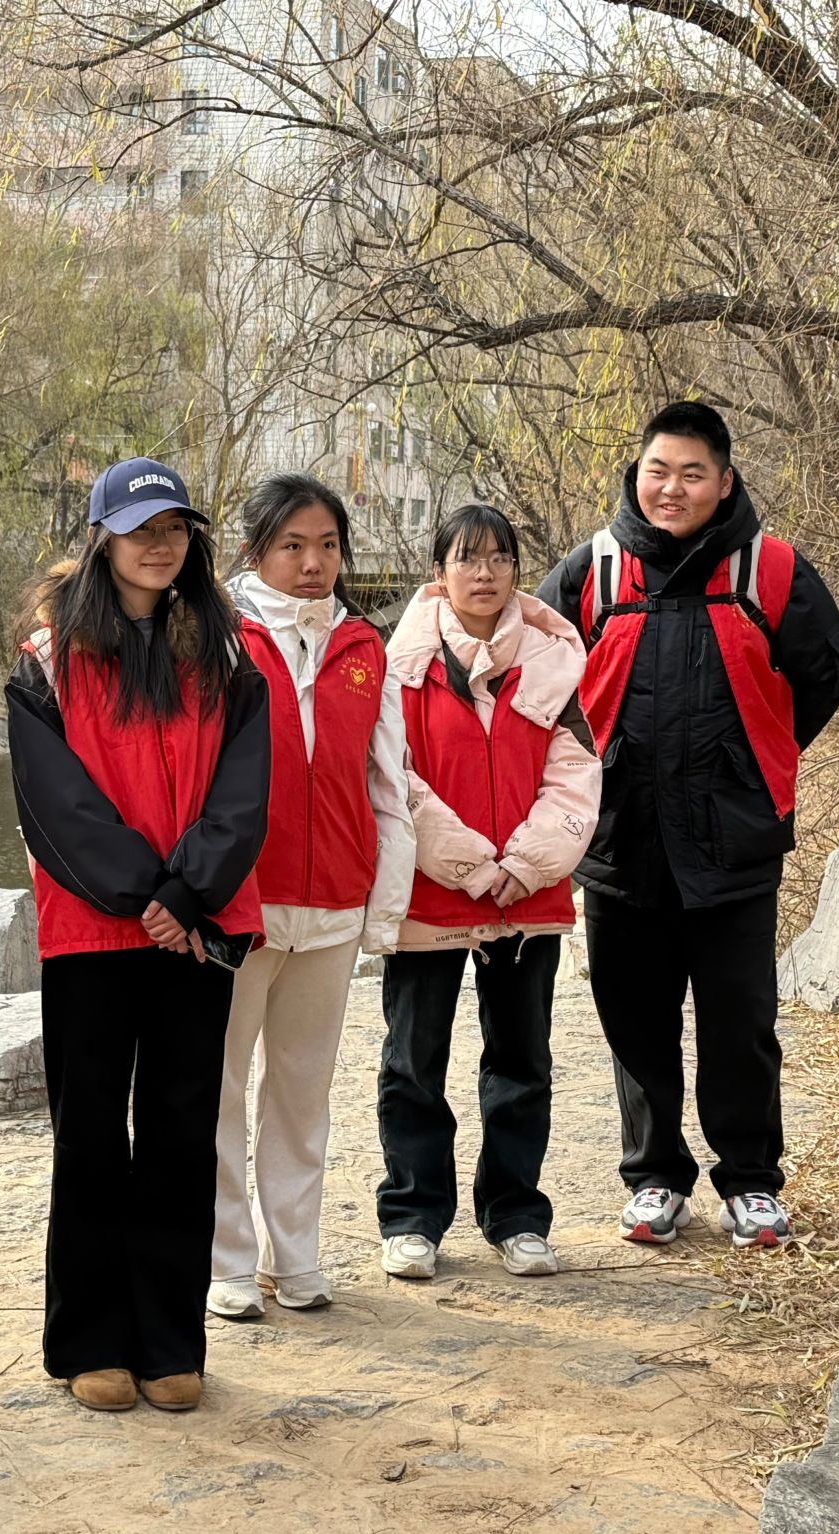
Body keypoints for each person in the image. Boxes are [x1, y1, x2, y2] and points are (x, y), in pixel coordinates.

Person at [536, 401, 839, 1251]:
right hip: (619, 839)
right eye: (657, 471)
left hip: (733, 844)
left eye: (691, 474)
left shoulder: (772, 571)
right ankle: (653, 1180)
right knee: (632, 1019)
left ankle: (750, 1182)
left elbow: (827, 668)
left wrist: (755, 761)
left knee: (738, 1024)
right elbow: (534, 685)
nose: (671, 489)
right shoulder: (593, 572)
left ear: (724, 482)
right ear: (635, 476)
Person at [8, 456, 269, 1413]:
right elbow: (56, 804)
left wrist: (188, 893)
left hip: (196, 931)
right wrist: (142, 892)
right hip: (93, 931)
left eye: (175, 529)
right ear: (101, 537)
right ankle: (89, 1340)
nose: (160, 545)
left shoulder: (228, 655)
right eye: (140, 528)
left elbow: (245, 792)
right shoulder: (48, 659)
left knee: (178, 1132)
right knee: (88, 1138)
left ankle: (168, 1339)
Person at [208, 473, 414, 1320]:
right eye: (292, 545)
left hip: (331, 904)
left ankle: (294, 1255)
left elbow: (390, 786)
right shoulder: (213, 635)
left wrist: (384, 910)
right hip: (235, 909)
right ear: (256, 549)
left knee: (301, 1092)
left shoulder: (364, 646)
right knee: (216, 1091)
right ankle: (224, 1260)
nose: (313, 562)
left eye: (327, 544)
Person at [377, 503, 599, 1282]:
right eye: (466, 558)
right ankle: (412, 1216)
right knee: (414, 1059)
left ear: (515, 568)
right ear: (438, 572)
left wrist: (524, 864)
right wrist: (472, 864)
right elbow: (392, 779)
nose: (484, 573)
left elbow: (577, 775)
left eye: (499, 558)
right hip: (433, 892)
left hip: (525, 896)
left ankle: (515, 1216)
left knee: (521, 1060)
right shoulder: (398, 665)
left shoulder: (555, 660)